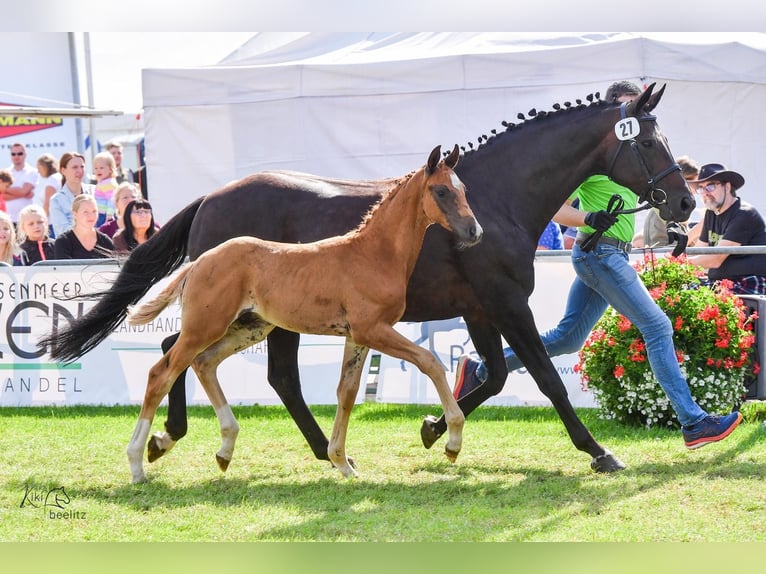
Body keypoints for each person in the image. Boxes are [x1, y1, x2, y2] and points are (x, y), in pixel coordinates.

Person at [453, 80, 743, 450]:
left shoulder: (626, 155)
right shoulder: (591, 162)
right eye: (629, 105)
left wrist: (675, 224)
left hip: (613, 253)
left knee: (568, 338)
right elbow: (554, 208)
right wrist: (590, 217)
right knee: (657, 327)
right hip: (599, 253)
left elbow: (654, 192)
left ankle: (478, 370)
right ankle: (694, 423)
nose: (635, 113)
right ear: (614, 107)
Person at [686, 163, 766, 295]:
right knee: (680, 294)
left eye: (710, 186)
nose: (705, 193)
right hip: (722, 283)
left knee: (694, 297)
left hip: (749, 282)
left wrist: (678, 265)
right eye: (701, 188)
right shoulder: (710, 214)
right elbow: (699, 251)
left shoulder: (744, 214)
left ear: (727, 187)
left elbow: (715, 259)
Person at [639, 156, 703, 248]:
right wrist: (698, 230)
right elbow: (668, 250)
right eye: (695, 185)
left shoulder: (672, 208)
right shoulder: (664, 210)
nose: (696, 191)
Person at [53, 194, 114, 260]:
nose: (91, 216)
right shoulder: (63, 242)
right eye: (85, 212)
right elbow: (64, 269)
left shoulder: (105, 241)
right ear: (75, 214)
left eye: (94, 211)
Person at [49, 152, 95, 237]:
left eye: (82, 167)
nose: (80, 171)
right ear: (63, 170)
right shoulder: (56, 200)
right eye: (75, 167)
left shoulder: (95, 191)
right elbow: (62, 232)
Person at [4, 143, 38, 225]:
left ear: (25, 154)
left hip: (26, 219)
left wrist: (5, 189)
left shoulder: (32, 171)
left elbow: (23, 191)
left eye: (20, 153)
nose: (16, 156)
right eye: (13, 154)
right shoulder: (5, 172)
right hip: (7, 219)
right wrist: (23, 194)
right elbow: (2, 196)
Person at [91, 151, 119, 227]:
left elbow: (111, 199)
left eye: (101, 168)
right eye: (96, 168)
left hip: (104, 215)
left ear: (110, 169)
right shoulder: (103, 182)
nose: (98, 170)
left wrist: (110, 214)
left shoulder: (108, 184)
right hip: (101, 214)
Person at [34, 153, 62, 222]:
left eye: (39, 168)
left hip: (52, 222)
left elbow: (48, 204)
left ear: (45, 166)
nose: (38, 171)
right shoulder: (59, 177)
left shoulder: (52, 179)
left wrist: (41, 220)